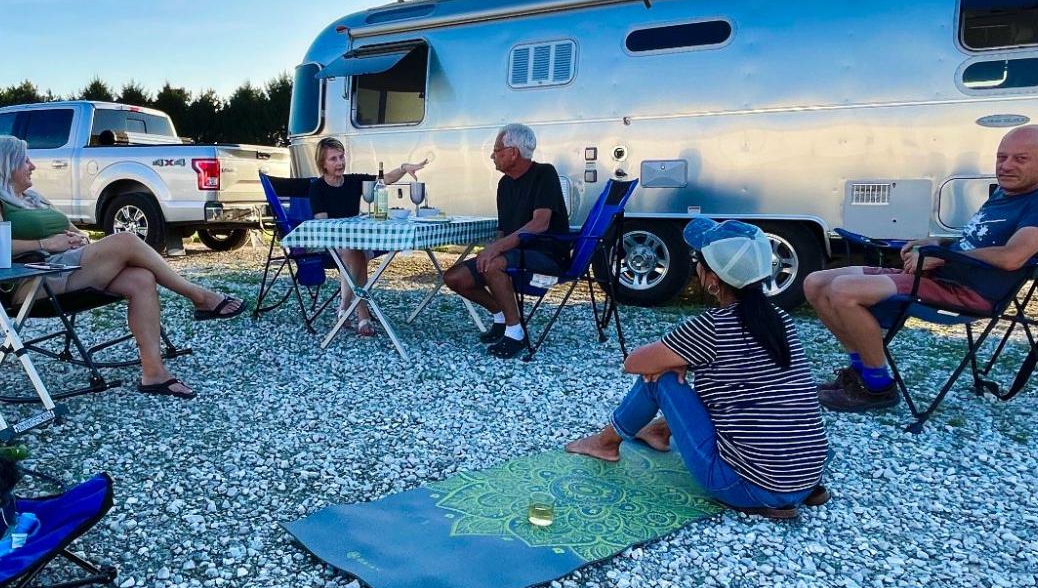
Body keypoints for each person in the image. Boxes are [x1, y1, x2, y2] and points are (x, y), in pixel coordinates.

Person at [566, 219, 830, 520]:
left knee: (660, 379)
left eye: (698, 262)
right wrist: (683, 359)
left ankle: (605, 444)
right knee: (726, 388)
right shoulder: (780, 319)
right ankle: (658, 431)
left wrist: (676, 361)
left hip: (750, 486)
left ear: (712, 278)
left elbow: (634, 363)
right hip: (808, 475)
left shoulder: (712, 327)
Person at [802, 124, 1038, 412]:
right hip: (941, 276)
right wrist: (939, 240)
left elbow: (1013, 257)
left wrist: (942, 255)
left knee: (843, 291)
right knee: (815, 282)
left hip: (968, 292)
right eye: (1001, 157)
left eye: (1020, 159)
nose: (1006, 166)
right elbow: (976, 240)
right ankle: (862, 374)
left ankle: (877, 388)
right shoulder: (1004, 195)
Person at [0, 134, 242, 399]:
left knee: (141, 278)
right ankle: (199, 296)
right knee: (125, 240)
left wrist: (77, 238)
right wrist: (47, 243)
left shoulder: (33, 198)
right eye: (25, 161)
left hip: (66, 267)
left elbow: (72, 230)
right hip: (32, 278)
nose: (33, 166)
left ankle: (153, 373)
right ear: (5, 165)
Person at [442, 122, 571, 358]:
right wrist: (493, 248)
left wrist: (495, 251)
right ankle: (501, 316)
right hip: (515, 253)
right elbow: (503, 230)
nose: (492, 156)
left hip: (546, 254)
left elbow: (540, 223)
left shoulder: (545, 173)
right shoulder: (504, 184)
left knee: (493, 263)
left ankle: (515, 333)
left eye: (497, 150)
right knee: (454, 277)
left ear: (513, 153)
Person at [307, 136, 428, 338]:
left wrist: (404, 167)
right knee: (354, 252)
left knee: (356, 252)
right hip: (332, 244)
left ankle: (345, 306)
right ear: (323, 164)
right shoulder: (317, 188)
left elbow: (385, 179)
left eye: (341, 157)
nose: (340, 163)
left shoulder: (354, 181)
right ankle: (362, 313)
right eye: (333, 159)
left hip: (358, 241)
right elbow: (323, 225)